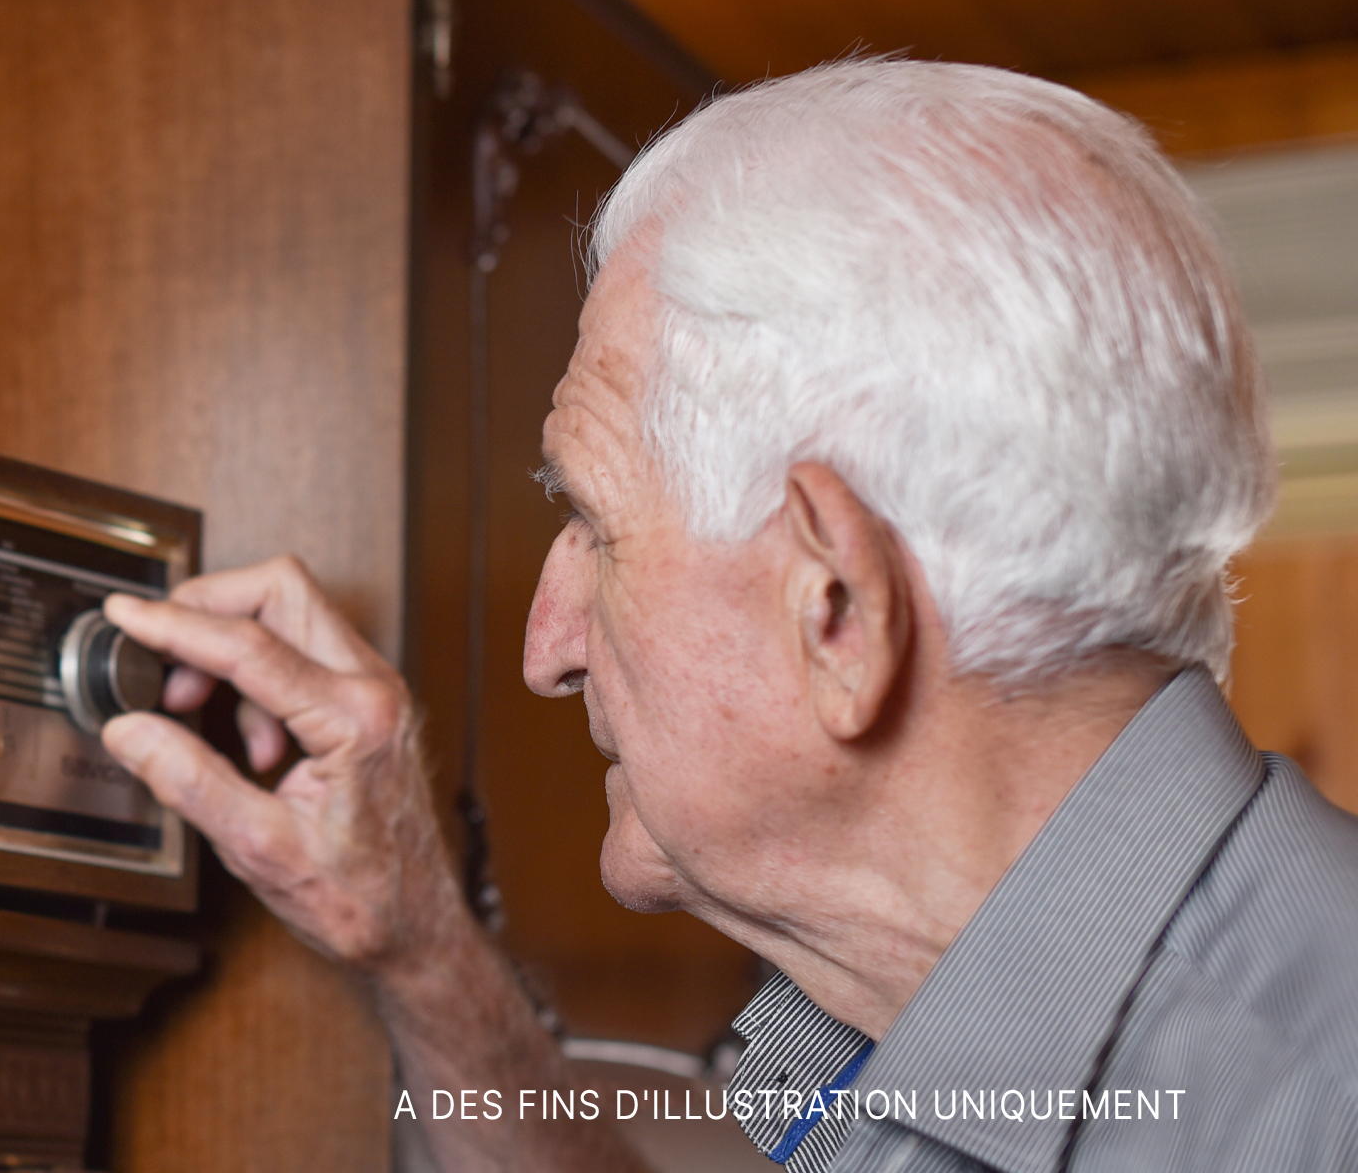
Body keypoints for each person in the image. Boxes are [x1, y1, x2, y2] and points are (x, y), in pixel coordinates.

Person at [95, 59, 1358, 1173]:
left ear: (838, 609)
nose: (548, 651)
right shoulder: (956, 1008)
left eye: (593, 522)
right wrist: (414, 944)